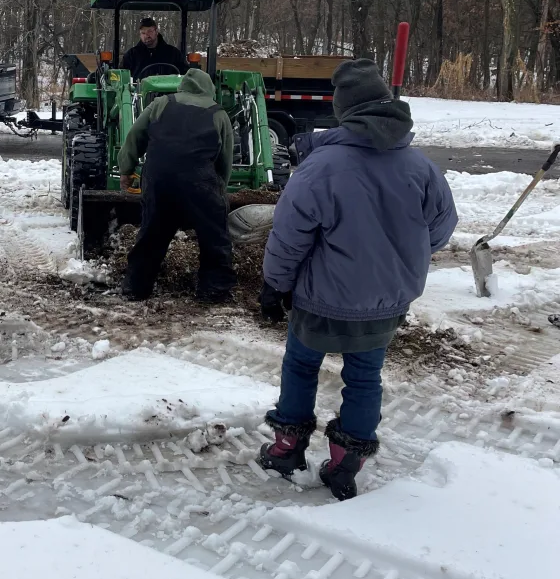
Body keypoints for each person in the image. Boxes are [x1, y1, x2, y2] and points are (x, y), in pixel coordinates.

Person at [258, 58, 457, 500]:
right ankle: (346, 461)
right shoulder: (421, 168)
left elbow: (289, 238)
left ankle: (286, 447)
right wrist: (397, 259)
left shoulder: (319, 168)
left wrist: (275, 285)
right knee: (365, 378)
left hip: (320, 300)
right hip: (385, 302)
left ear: (342, 109)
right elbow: (440, 230)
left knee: (300, 365)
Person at [118, 68, 236, 303]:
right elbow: (225, 158)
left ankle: (136, 287)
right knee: (214, 237)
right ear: (209, 89)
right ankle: (212, 291)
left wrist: (126, 170)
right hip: (200, 183)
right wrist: (220, 188)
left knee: (151, 235)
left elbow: (135, 137)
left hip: (158, 180)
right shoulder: (218, 113)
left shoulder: (161, 104)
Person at [121, 17, 187, 80]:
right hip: (139, 90)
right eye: (143, 33)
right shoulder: (132, 55)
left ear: (156, 32)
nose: (147, 35)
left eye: (150, 31)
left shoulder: (173, 53)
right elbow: (121, 75)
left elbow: (185, 74)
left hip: (168, 90)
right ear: (140, 35)